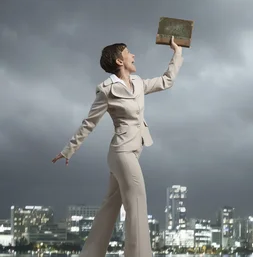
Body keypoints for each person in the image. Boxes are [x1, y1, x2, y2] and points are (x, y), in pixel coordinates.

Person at [52, 36, 184, 257]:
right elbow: (89, 123)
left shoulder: (140, 84)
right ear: (119, 61)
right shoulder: (106, 90)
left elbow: (166, 81)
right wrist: (69, 149)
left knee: (110, 206)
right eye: (128, 52)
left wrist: (177, 53)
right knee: (137, 201)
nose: (133, 55)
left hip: (134, 149)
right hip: (121, 152)